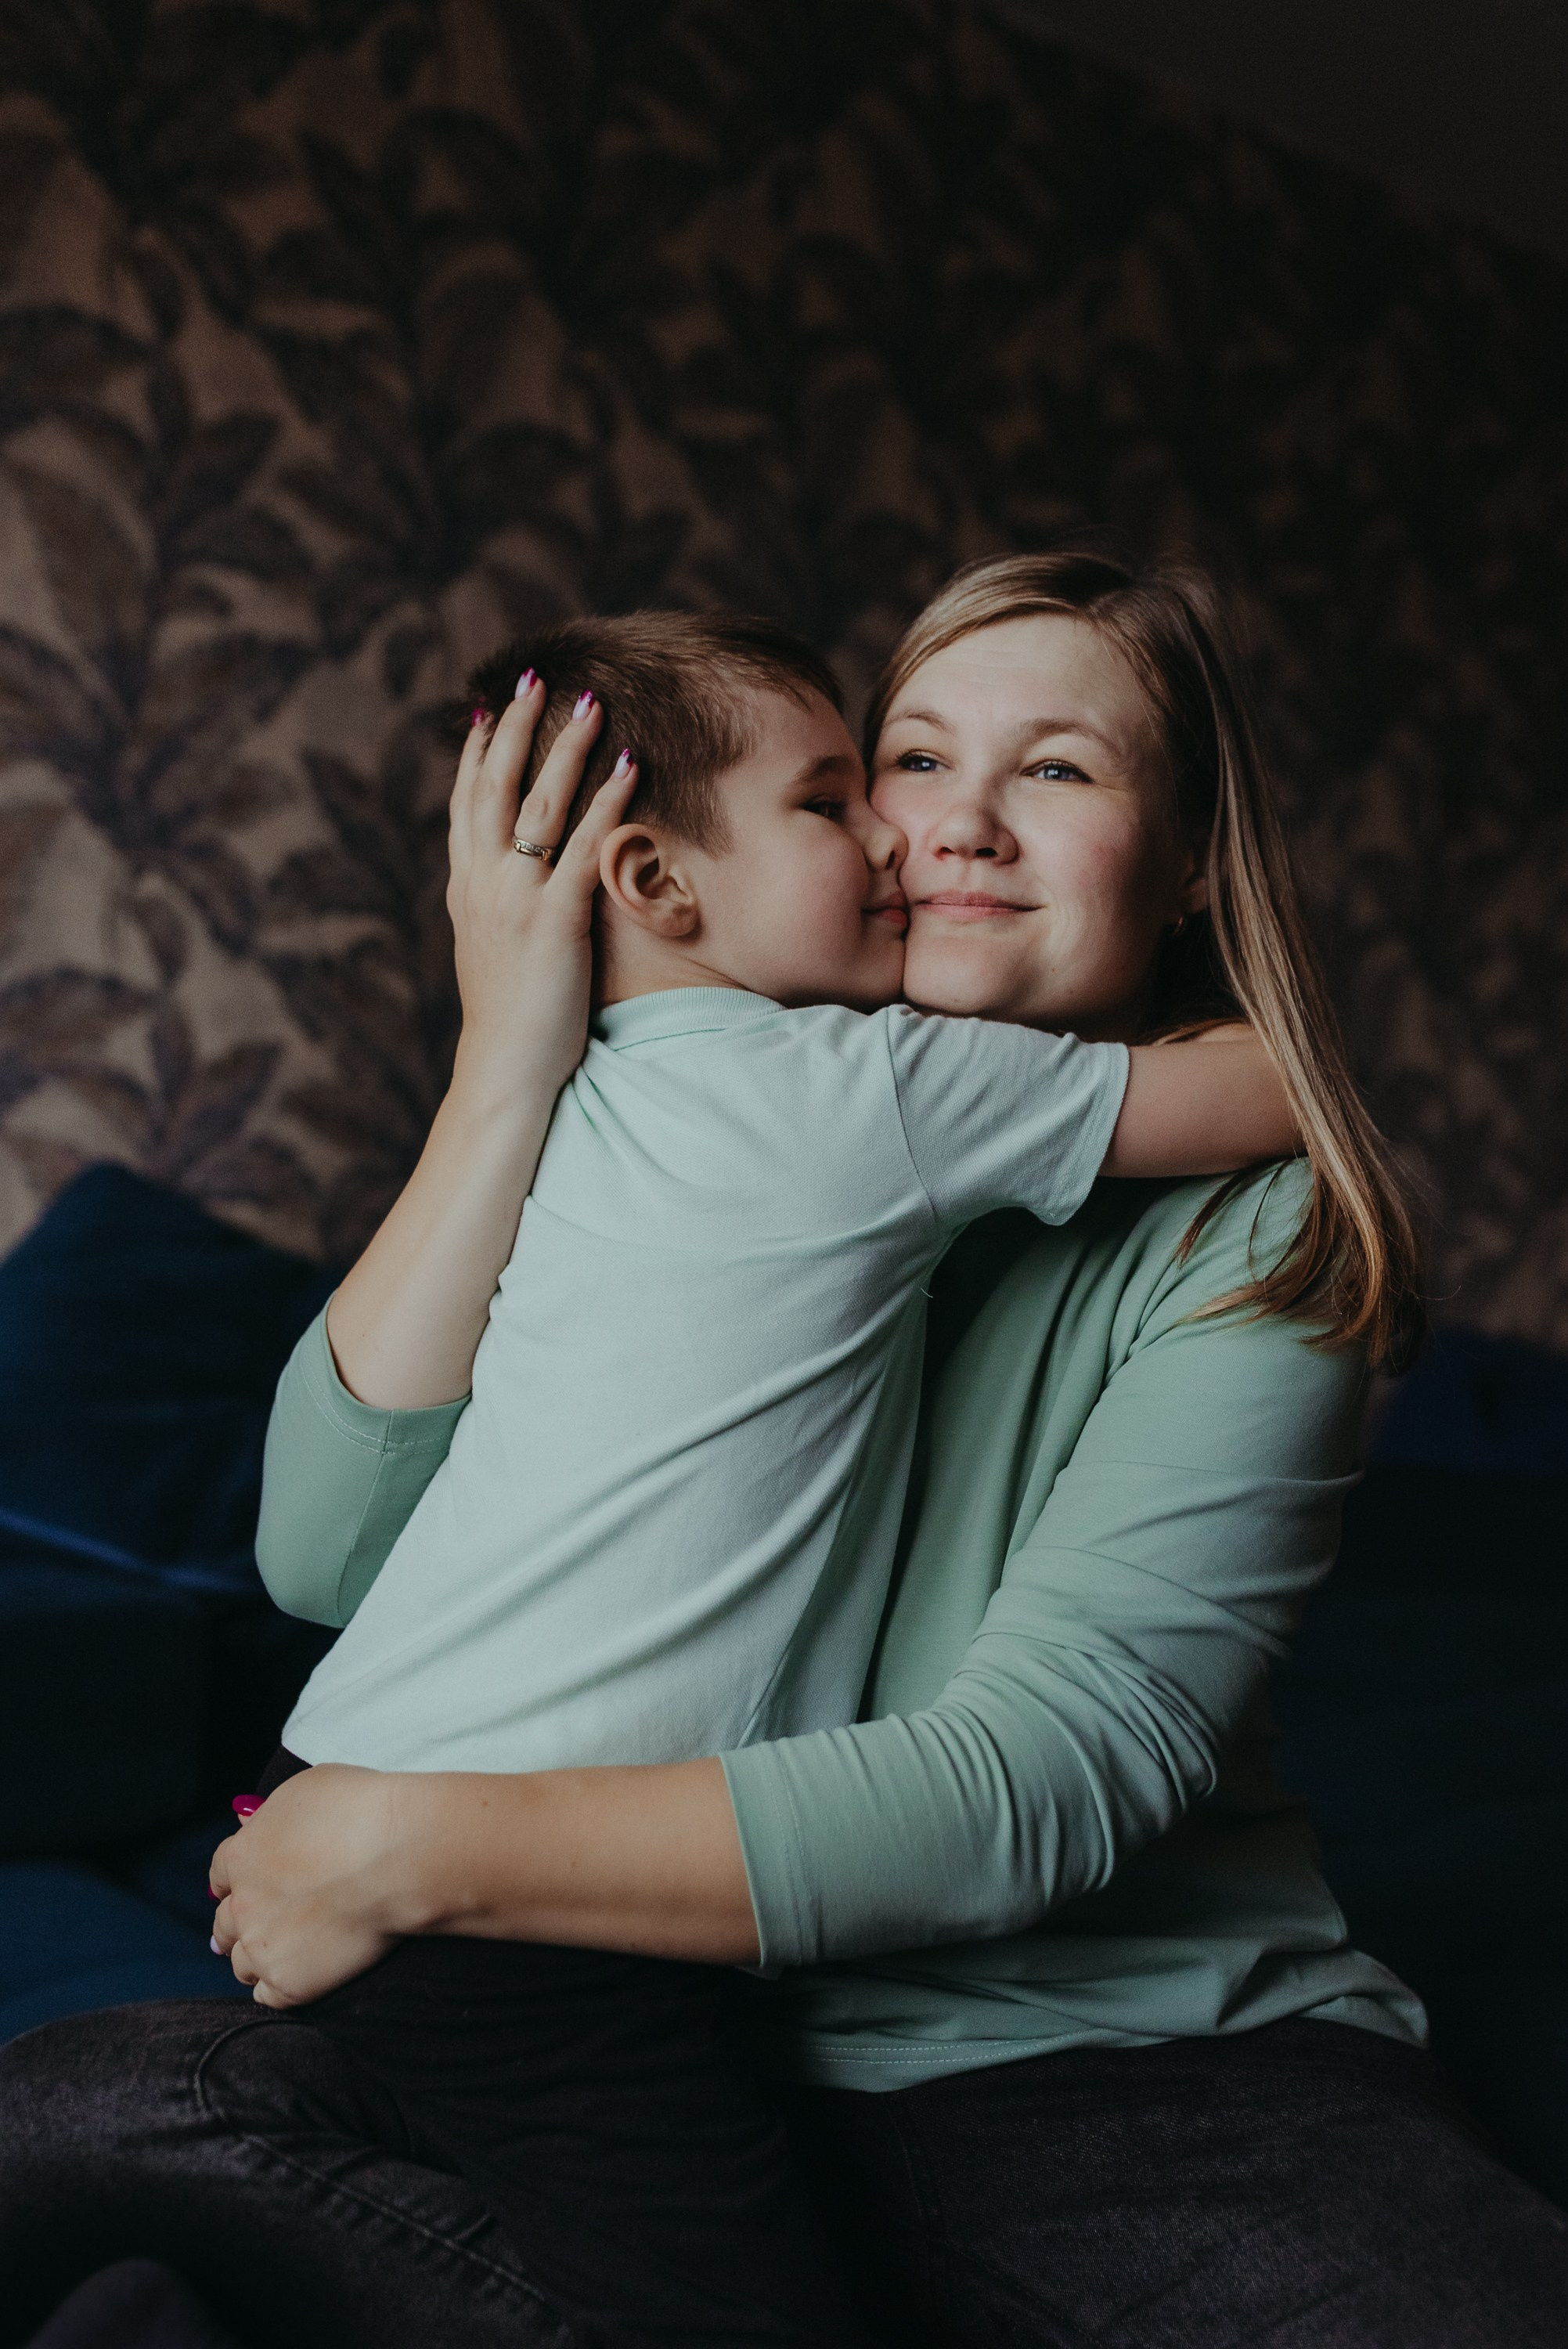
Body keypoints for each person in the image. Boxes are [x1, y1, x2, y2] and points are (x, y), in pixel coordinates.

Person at [3, 550, 1565, 2349]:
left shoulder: (1233, 1224)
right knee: (74, 2106)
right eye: (906, 760)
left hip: (1090, 2067)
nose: (954, 825)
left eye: (1055, 771)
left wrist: (409, 1842)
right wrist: (507, 1056)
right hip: (662, 2013)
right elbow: (327, 1556)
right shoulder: (711, 1111)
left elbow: (1034, 1788)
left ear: (1195, 853)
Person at [234, 605, 1292, 2349]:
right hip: (536, 1921)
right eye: (858, 788)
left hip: (381, 1793)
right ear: (652, 883)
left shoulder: (600, 1109)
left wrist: (517, 1044)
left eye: (1052, 768)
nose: (905, 834)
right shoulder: (861, 1091)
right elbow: (1270, 1095)